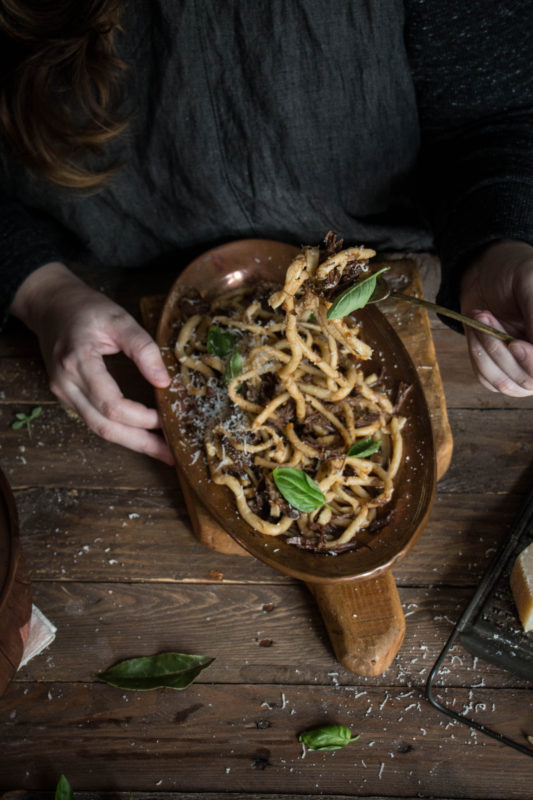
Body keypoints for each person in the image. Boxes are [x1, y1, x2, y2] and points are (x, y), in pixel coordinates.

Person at [1, 1, 532, 466]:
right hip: (90, 306)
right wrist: (38, 288)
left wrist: (498, 243)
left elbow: (496, 118)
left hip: (389, 286)